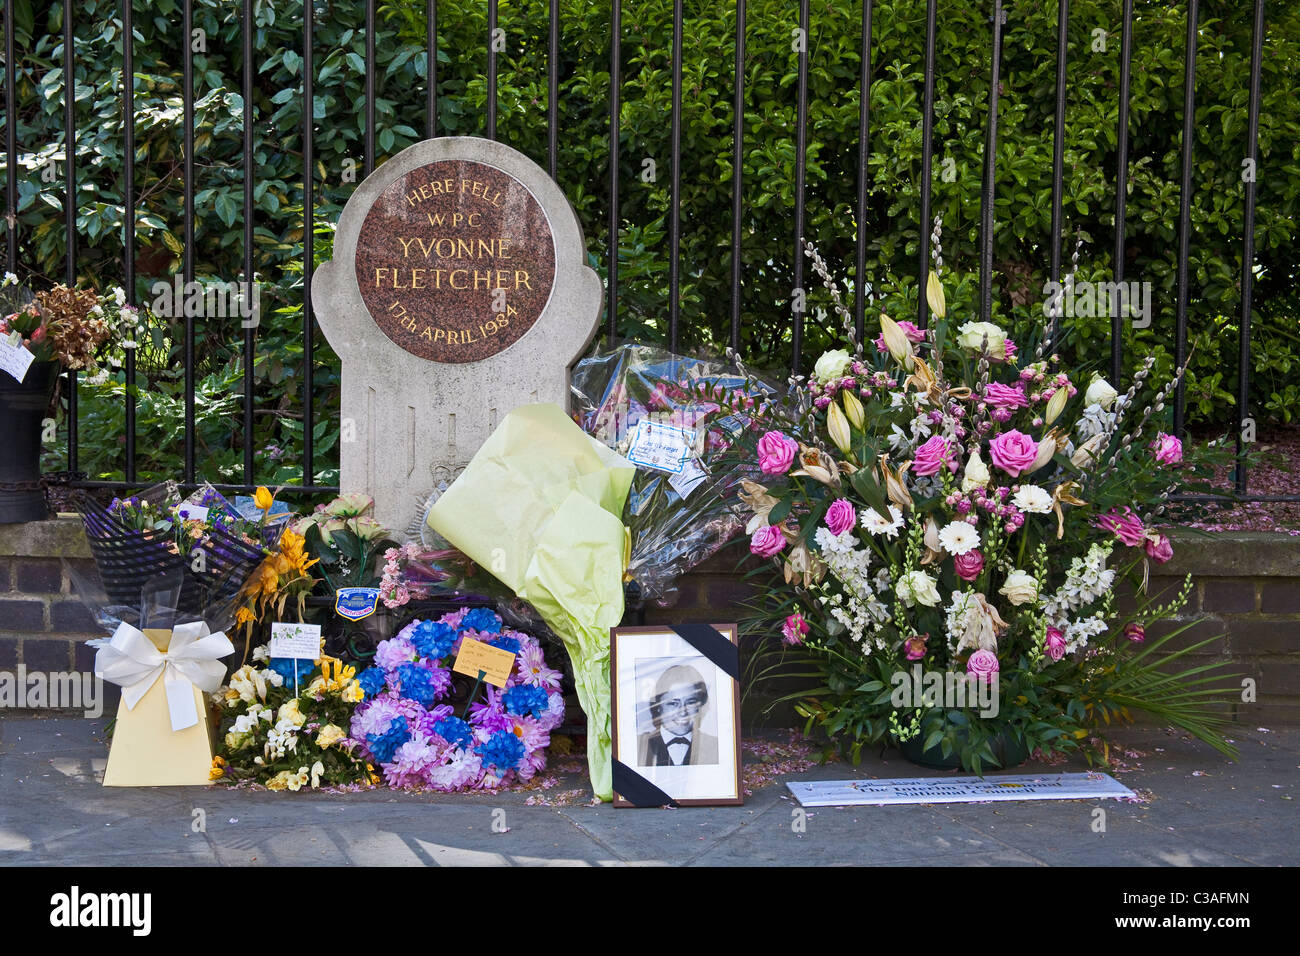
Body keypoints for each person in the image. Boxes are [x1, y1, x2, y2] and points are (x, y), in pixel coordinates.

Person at [637, 663, 718, 766]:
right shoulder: (637, 745)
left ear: (700, 706)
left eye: (690, 702)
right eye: (673, 703)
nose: (683, 712)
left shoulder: (715, 746)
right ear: (658, 707)